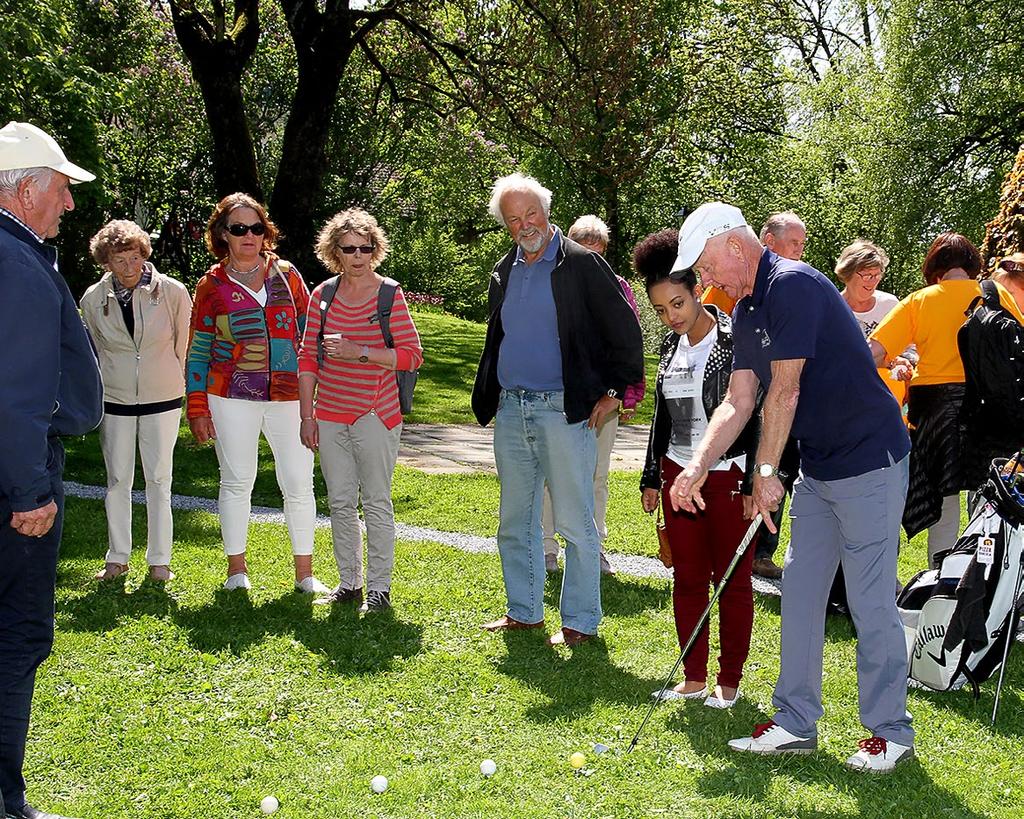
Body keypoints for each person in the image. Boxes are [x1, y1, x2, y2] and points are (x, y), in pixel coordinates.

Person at [670, 202, 915, 773]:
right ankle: (795, 722)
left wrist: (763, 474)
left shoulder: (794, 285)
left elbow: (786, 390)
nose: (703, 279)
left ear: (733, 245)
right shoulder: (747, 305)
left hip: (871, 459)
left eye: (704, 265)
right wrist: (698, 466)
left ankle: (890, 733)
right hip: (822, 466)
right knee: (801, 592)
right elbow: (740, 399)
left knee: (869, 598)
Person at [473, 173, 644, 647]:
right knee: (516, 520)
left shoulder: (583, 264)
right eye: (513, 219)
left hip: (562, 409)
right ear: (505, 224)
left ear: (547, 211)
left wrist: (615, 389)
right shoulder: (505, 267)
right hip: (511, 407)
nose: (524, 224)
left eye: (531, 214)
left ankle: (581, 623)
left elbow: (627, 332)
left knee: (574, 521)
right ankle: (524, 612)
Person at [0, 121, 102, 819]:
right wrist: (31, 489)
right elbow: (17, 392)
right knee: (18, 635)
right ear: (28, 187)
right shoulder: (15, 262)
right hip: (16, 482)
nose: (68, 204)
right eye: (62, 188)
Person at [637, 228, 760, 708]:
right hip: (677, 475)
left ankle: (729, 681)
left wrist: (754, 480)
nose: (671, 316)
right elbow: (661, 416)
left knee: (730, 579)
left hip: (728, 475)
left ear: (698, 292)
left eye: (678, 304)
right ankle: (692, 676)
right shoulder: (670, 347)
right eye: (662, 310)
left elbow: (755, 411)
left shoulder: (735, 339)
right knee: (687, 577)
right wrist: (653, 474)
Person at [186, 193, 328, 594]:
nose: (249, 235)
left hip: (289, 397)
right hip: (229, 395)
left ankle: (305, 574)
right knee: (236, 480)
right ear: (223, 235)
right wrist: (196, 404)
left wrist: (316, 391)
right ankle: (237, 571)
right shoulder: (210, 285)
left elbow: (308, 334)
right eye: (238, 228)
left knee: (299, 481)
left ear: (266, 231)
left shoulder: (286, 274)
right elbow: (198, 347)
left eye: (256, 227)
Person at [869, 233, 1024, 568]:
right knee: (987, 494)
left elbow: (874, 352)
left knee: (944, 498)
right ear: (972, 264)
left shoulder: (919, 300)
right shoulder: (995, 295)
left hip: (934, 410)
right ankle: (985, 573)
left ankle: (942, 577)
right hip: (989, 406)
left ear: (935, 267)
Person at [298, 209, 423, 613]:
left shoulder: (389, 293)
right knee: (339, 501)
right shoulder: (323, 295)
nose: (356, 256)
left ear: (375, 250)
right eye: (348, 248)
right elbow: (307, 358)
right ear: (334, 251)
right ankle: (349, 583)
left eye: (364, 248)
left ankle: (379, 590)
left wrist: (361, 353)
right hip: (330, 412)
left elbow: (411, 356)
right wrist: (307, 415)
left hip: (375, 413)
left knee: (375, 501)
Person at [80, 220, 193, 583]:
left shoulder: (173, 292)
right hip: (115, 400)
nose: (128, 267)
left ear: (144, 253)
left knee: (160, 479)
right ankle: (117, 558)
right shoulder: (93, 299)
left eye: (133, 257)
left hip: (164, 397)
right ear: (106, 262)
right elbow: (96, 351)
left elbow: (184, 344)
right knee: (118, 480)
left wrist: (175, 381)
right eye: (118, 260)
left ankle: (160, 561)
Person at [541, 214, 645, 575]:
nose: (592, 262)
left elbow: (630, 344)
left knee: (597, 476)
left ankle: (593, 548)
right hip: (557, 395)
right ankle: (546, 548)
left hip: (604, 399)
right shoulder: (550, 282)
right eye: (585, 252)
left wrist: (624, 394)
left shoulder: (618, 287)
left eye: (598, 254)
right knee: (553, 476)